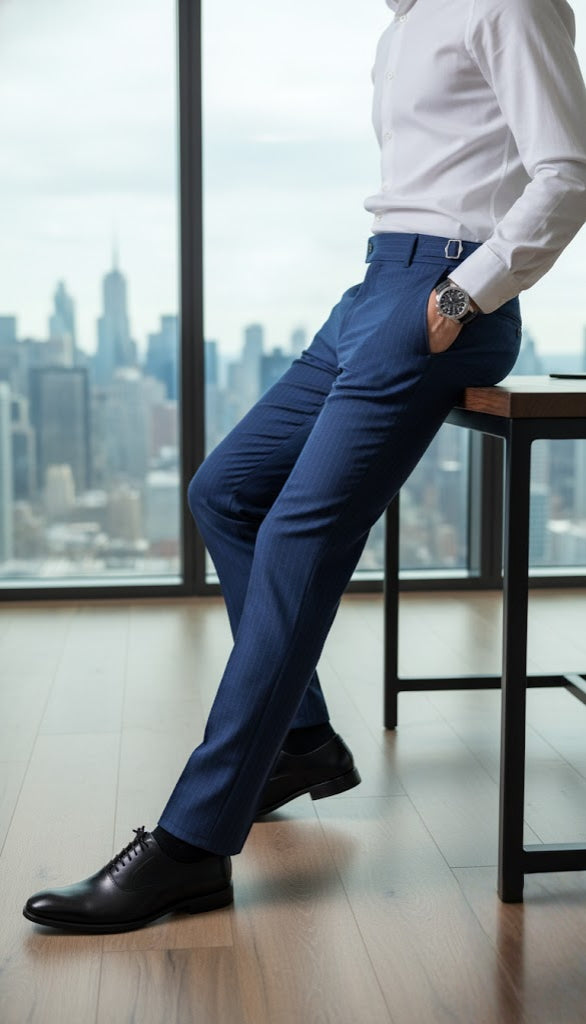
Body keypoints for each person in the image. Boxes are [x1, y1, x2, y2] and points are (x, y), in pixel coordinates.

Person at [24, 0, 586, 933]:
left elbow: (567, 172)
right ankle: (302, 740)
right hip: (371, 287)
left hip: (441, 293)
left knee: (301, 532)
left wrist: (461, 295)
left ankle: (194, 845)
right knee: (227, 492)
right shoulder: (402, 24)